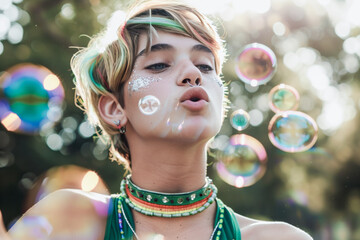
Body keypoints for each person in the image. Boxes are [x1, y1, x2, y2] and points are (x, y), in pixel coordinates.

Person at [0, 0, 313, 239]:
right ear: (114, 108)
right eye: (160, 65)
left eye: (205, 66)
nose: (193, 74)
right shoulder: (64, 219)